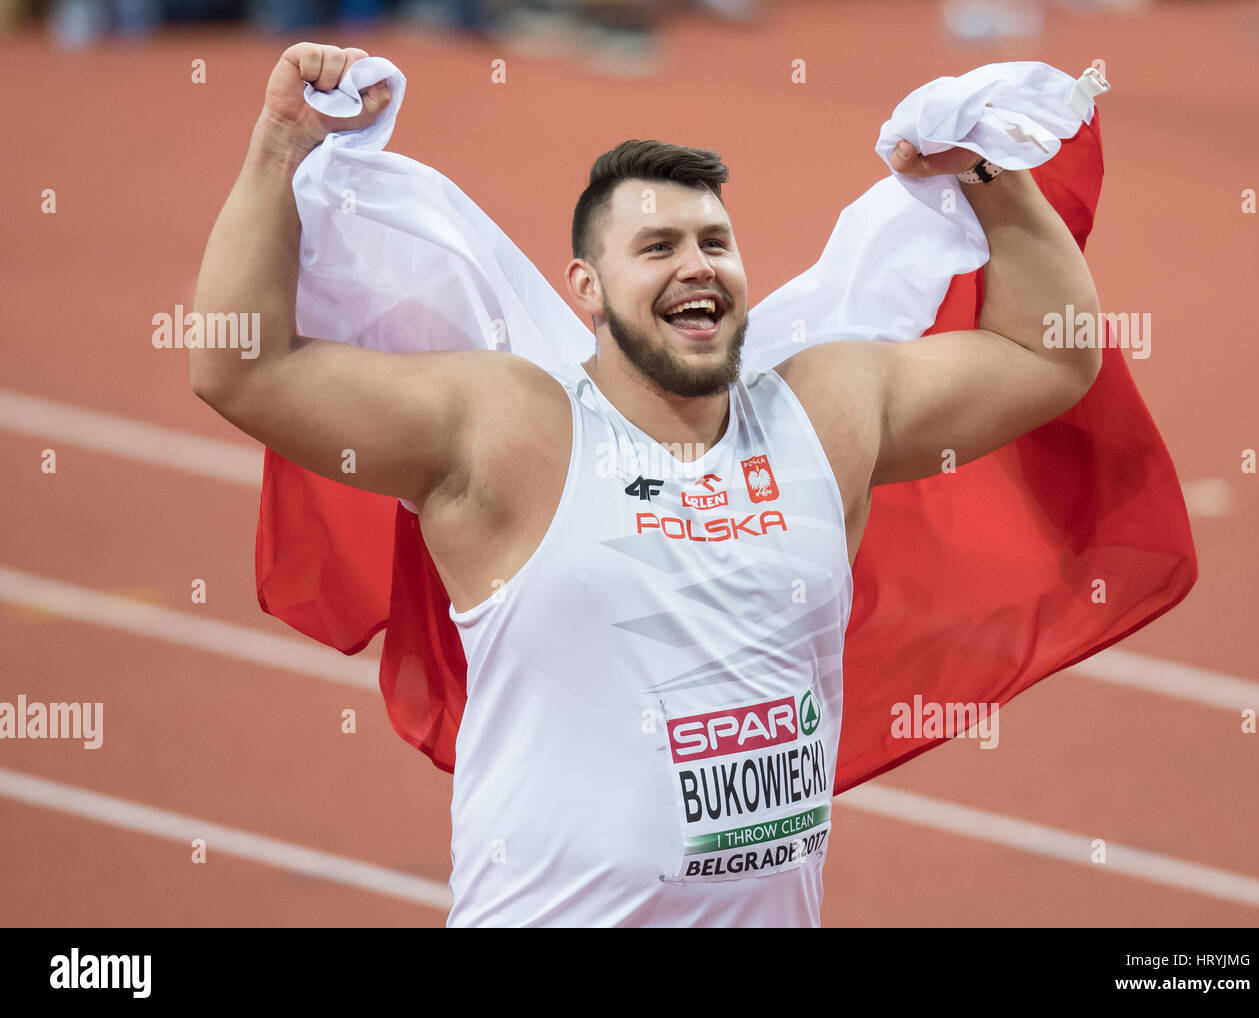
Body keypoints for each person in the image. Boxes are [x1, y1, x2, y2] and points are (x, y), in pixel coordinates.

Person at [191, 43, 1103, 927]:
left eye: (715, 241)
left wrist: (987, 167)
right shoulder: (513, 430)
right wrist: (280, 142)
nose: (697, 264)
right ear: (586, 289)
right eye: (658, 246)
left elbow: (1047, 353)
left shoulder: (824, 415)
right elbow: (243, 369)